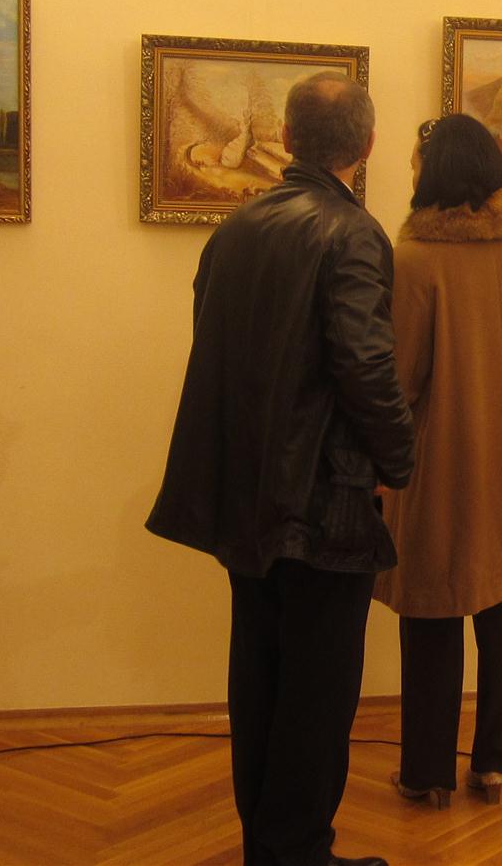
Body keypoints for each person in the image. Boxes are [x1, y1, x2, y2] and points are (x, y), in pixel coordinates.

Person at [146, 71, 413, 866]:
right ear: (368, 145)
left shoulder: (235, 229)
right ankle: (297, 850)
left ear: (289, 138)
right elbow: (365, 365)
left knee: (259, 676)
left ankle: (268, 845)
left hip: (245, 490)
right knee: (318, 691)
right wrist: (400, 459)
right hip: (323, 498)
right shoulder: (352, 234)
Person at [375, 114, 502, 809]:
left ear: (435, 170)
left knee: (431, 618)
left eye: (415, 161)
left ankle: (427, 773)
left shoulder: (414, 259)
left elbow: (397, 375)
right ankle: (492, 764)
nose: (410, 170)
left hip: (438, 465)